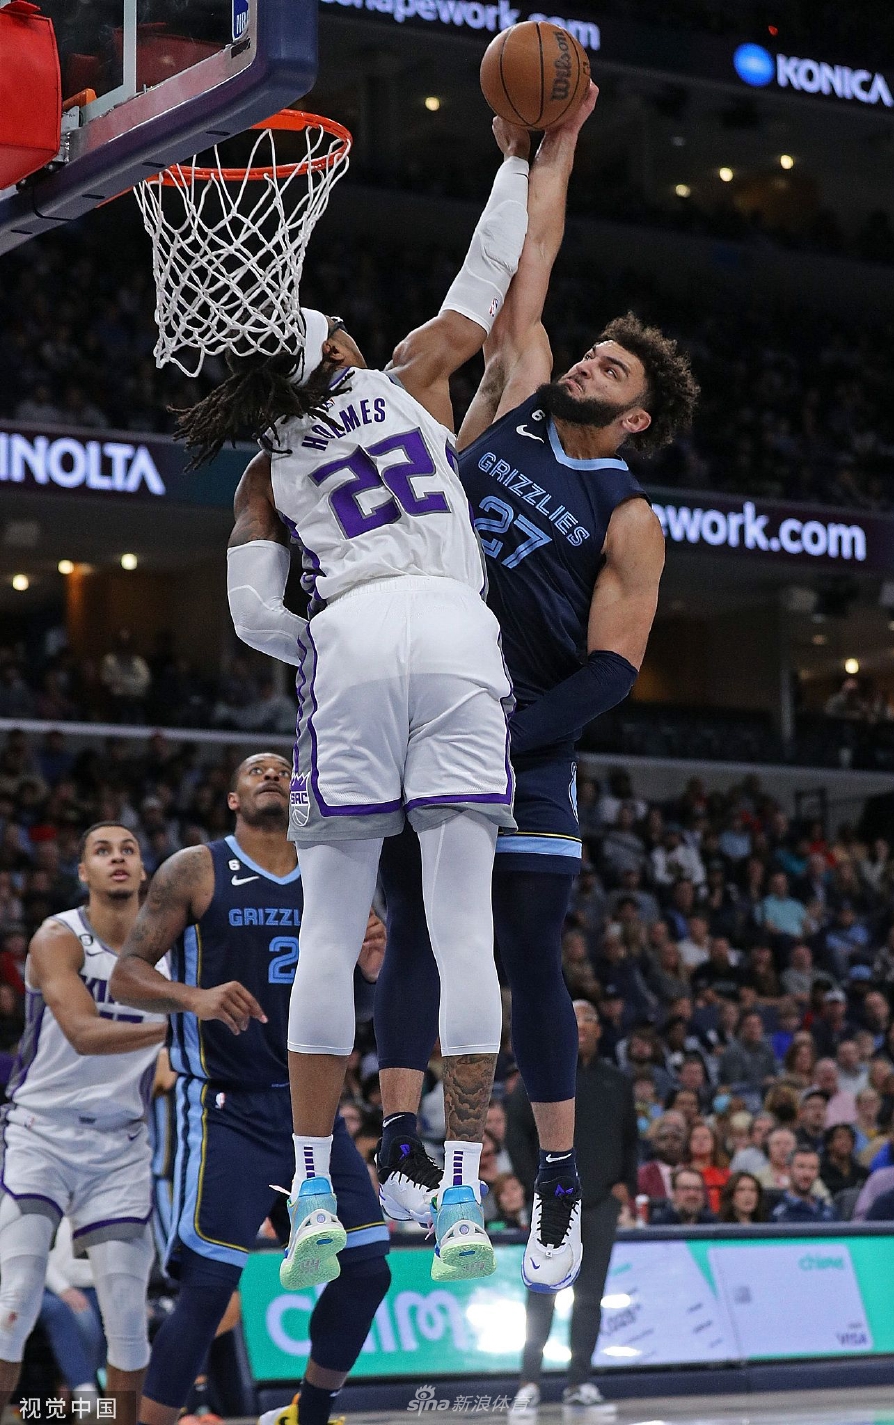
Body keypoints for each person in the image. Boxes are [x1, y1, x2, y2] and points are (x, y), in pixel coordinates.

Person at [202, 118, 541, 1288]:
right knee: (459, 929)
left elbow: (252, 613)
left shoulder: (263, 468)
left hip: (348, 637)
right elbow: (484, 277)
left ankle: (309, 1186)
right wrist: (515, 158)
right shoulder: (406, 376)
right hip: (451, 630)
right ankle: (461, 1197)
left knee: (329, 933)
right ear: (337, 346)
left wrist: (323, 643)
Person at [371, 87, 699, 1296]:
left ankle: (555, 1181)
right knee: (409, 926)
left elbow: (612, 666)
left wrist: (507, 738)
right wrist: (545, 147)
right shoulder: (513, 398)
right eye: (593, 349)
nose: (590, 360)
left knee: (524, 955)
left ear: (635, 416)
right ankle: (399, 1144)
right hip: (421, 709)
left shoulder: (628, 515)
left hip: (523, 742)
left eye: (612, 366)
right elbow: (532, 259)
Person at [110, 755, 391, 1425]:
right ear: (233, 799)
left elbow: (376, 982)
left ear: (301, 793)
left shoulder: (335, 871)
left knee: (369, 1268)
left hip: (312, 1112)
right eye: (255, 770)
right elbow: (126, 975)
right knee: (209, 1287)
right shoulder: (195, 868)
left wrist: (376, 965)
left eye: (283, 769)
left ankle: (308, 1414)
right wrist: (194, 997)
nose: (271, 774)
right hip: (226, 1109)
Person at [0, 823, 167, 1425]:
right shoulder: (58, 936)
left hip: (121, 1143)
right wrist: (182, 1021)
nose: (117, 858)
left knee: (127, 1319)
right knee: (14, 1301)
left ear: (144, 871)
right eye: (102, 850)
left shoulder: (170, 955)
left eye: (128, 849)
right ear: (84, 872)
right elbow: (83, 1032)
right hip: (40, 1131)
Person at [506, 1000, 637, 1415]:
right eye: (574, 1018)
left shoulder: (618, 1081)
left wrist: (625, 1185)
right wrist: (534, 1186)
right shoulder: (539, 1075)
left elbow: (631, 1138)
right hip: (552, 1202)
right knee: (542, 1292)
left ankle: (580, 1380)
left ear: (600, 1029)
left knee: (590, 1297)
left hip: (600, 1203)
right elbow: (515, 1135)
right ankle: (529, 1381)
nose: (582, 1025)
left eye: (590, 1018)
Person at [769, 1148, 837, 1224]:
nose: (807, 1174)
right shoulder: (780, 1215)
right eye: (801, 1167)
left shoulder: (828, 1210)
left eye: (812, 1168)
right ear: (788, 1169)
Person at [637, 1114, 687, 1200]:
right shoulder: (643, 1175)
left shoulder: (692, 1174)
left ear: (684, 1144)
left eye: (676, 1138)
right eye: (664, 1138)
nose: (670, 1143)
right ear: (655, 1144)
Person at [687, 1121, 730, 1214]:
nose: (700, 1141)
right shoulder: (681, 1174)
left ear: (714, 1142)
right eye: (695, 1138)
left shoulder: (726, 1175)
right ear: (688, 1143)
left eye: (705, 1137)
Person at [651, 1168, 717, 1225]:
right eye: (686, 1188)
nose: (692, 1194)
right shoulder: (658, 1226)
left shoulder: (713, 1224)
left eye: (697, 1189)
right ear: (674, 1192)